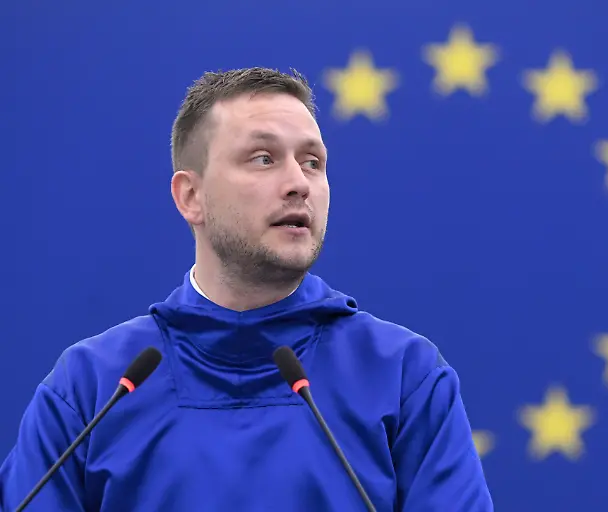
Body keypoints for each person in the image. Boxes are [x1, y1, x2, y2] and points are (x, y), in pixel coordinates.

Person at [0, 67, 493, 511]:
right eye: (263, 158)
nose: (299, 183)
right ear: (191, 197)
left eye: (312, 162)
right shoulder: (91, 387)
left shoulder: (403, 376)